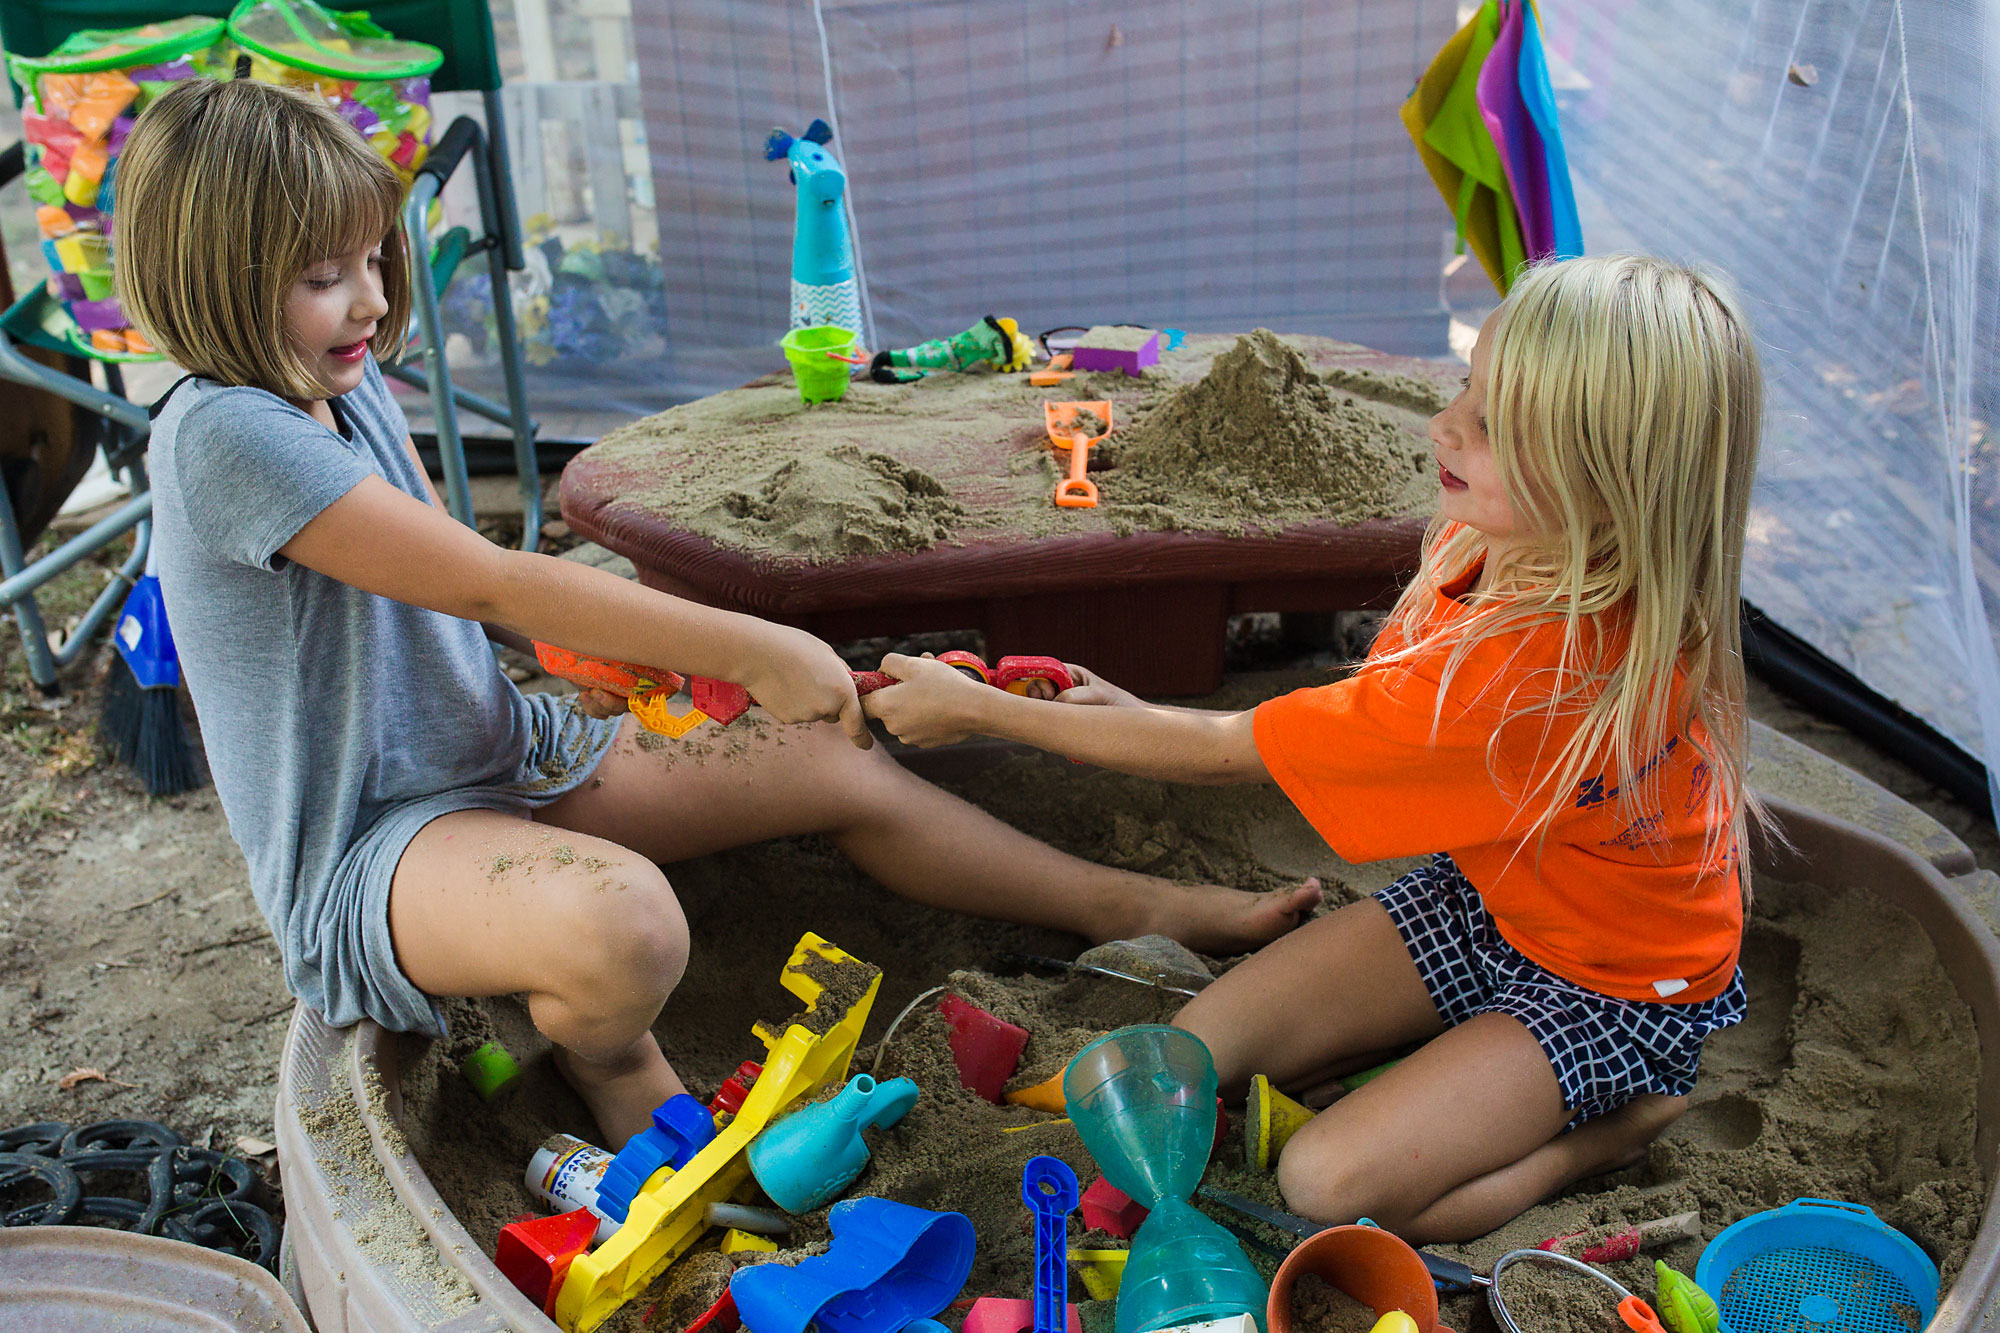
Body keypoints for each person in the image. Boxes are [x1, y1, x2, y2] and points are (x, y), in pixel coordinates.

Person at [114, 78, 1320, 1147]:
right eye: (325, 278)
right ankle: (608, 1056)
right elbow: (491, 581)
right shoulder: (225, 433)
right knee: (627, 927)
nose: (370, 299)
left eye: (375, 260)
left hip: (499, 756)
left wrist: (623, 670)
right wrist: (754, 643)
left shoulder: (342, 378)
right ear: (213, 279)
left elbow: (464, 583)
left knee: (819, 748)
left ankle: (1136, 909)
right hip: (374, 849)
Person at [866, 254, 1761, 1241]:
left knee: (1326, 1183)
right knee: (1197, 1048)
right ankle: (1450, 1074)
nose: (1444, 425)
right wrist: (1123, 707)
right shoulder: (1509, 544)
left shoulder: (1547, 673)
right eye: (1469, 387)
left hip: (1614, 989)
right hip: (1492, 898)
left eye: (1497, 424)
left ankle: (1601, 1135)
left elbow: (1225, 750)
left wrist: (985, 712)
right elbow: (1348, 713)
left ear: (1611, 477)